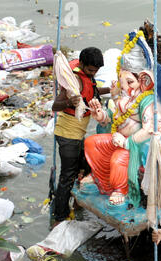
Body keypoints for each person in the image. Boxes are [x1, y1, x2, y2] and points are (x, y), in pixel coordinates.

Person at [80, 30, 161, 207]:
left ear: (144, 80)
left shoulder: (147, 101)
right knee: (91, 142)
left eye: (130, 83)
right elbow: (116, 120)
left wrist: (128, 142)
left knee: (118, 158)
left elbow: (154, 128)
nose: (126, 88)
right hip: (118, 138)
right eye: (123, 82)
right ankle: (100, 177)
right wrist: (101, 116)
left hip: (136, 146)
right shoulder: (123, 98)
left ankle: (120, 189)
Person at [51, 47, 110, 228]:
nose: (93, 73)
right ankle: (59, 218)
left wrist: (112, 89)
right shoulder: (74, 79)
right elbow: (55, 105)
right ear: (82, 64)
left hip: (78, 133)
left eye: (96, 71)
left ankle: (76, 202)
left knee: (85, 165)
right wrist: (70, 101)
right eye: (91, 70)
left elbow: (93, 91)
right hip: (68, 134)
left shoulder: (87, 75)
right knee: (67, 176)